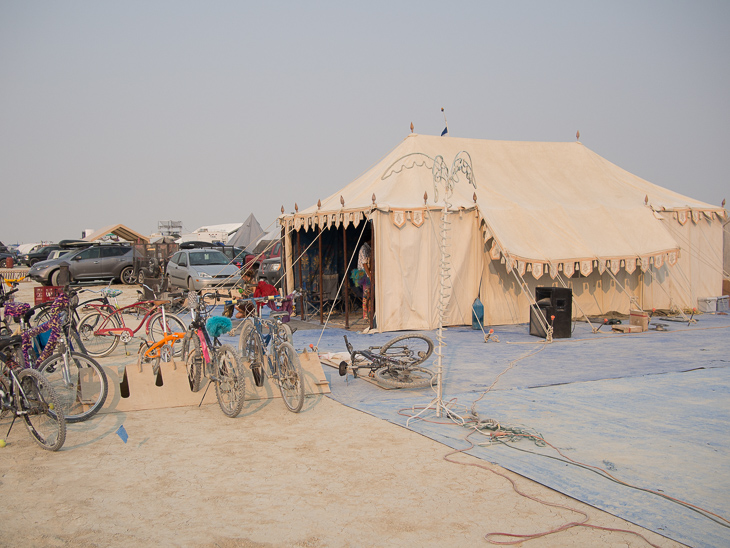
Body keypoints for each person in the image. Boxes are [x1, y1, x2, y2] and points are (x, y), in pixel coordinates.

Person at [357, 238, 372, 320]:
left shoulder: (369, 248)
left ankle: (369, 313)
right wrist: (369, 275)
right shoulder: (364, 248)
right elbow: (364, 263)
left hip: (368, 274)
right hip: (363, 274)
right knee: (366, 295)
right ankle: (365, 314)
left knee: (370, 294)